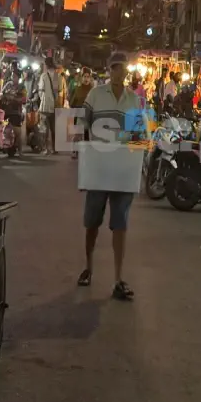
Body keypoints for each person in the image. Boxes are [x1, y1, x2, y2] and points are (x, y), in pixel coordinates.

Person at [78, 52, 142, 301]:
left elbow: (138, 133)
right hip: (99, 168)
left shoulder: (134, 100)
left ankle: (118, 278)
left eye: (123, 69)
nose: (121, 73)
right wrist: (87, 156)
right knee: (92, 222)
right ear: (109, 70)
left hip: (123, 170)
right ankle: (88, 268)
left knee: (120, 224)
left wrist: (137, 149)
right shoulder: (95, 95)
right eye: (116, 68)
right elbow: (82, 126)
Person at [37, 60, 62, 155]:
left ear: (46, 65)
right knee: (53, 128)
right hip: (54, 105)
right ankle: (54, 149)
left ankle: (45, 149)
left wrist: (43, 98)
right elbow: (59, 90)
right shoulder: (58, 76)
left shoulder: (43, 76)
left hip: (44, 105)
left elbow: (41, 91)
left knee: (44, 128)